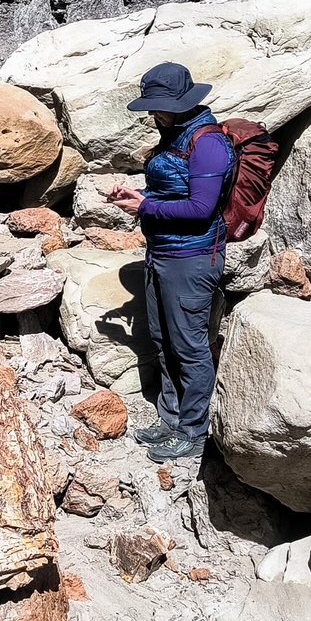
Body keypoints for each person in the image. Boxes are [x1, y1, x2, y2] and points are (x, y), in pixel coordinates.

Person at [107, 61, 235, 463]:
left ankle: (193, 432)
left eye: (159, 106)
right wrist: (140, 195)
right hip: (162, 253)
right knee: (163, 341)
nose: (153, 114)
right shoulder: (174, 134)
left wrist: (146, 206)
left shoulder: (208, 143)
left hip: (192, 258)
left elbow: (200, 209)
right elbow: (175, 189)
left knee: (190, 347)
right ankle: (170, 418)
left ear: (183, 102)